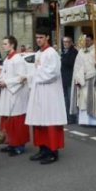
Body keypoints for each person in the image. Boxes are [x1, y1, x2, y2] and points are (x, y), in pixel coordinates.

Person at [26, 29, 67, 164]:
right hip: (39, 92)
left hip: (50, 92)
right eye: (37, 37)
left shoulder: (52, 53)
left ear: (47, 37)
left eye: (41, 37)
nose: (38, 40)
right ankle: (43, 149)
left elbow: (52, 73)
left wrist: (37, 72)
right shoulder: (38, 53)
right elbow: (34, 71)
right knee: (39, 121)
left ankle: (53, 151)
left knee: (49, 121)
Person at [0, 36, 30, 156]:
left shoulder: (18, 59)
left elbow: (22, 77)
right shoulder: (7, 59)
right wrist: (0, 81)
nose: (3, 46)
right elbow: (4, 74)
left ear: (12, 45)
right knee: (7, 119)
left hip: (16, 94)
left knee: (17, 120)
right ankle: (11, 143)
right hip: (7, 92)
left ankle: (19, 145)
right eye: (3, 44)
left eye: (5, 44)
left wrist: (7, 82)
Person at [70, 35, 96, 126]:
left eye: (88, 40)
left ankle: (95, 121)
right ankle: (84, 121)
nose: (86, 42)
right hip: (82, 79)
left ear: (93, 40)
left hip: (93, 79)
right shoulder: (81, 51)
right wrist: (78, 76)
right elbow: (77, 65)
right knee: (83, 100)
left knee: (94, 99)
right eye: (85, 41)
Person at [60, 36, 78, 124]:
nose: (65, 44)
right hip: (64, 78)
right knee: (65, 99)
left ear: (70, 42)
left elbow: (71, 63)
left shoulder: (74, 52)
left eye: (66, 42)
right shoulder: (63, 52)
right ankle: (66, 116)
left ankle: (72, 117)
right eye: (64, 42)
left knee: (71, 99)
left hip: (70, 77)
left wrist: (63, 58)